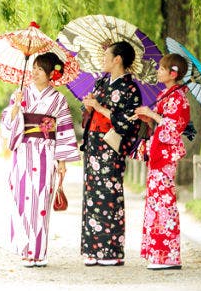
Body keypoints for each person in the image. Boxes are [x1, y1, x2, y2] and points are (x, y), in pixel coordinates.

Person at [0, 52, 80, 268]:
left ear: (50, 74)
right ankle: (25, 250)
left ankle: (39, 252)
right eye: (33, 68)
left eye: (39, 69)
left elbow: (63, 129)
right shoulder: (21, 94)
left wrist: (62, 161)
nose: (34, 72)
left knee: (41, 200)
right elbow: (8, 128)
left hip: (46, 152)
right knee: (22, 199)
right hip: (24, 151)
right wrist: (16, 107)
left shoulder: (59, 99)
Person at [80, 41, 142, 266]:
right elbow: (89, 113)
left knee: (110, 194)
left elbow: (128, 121)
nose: (103, 58)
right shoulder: (101, 82)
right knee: (92, 196)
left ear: (118, 59)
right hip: (94, 144)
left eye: (106, 55)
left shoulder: (130, 89)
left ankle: (111, 251)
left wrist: (99, 108)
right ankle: (93, 250)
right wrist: (88, 107)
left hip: (111, 145)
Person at [132, 53, 190, 270]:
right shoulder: (167, 94)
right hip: (158, 151)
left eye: (162, 68)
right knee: (155, 200)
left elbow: (175, 128)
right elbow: (161, 123)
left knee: (164, 201)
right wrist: (147, 116)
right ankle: (157, 252)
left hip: (166, 155)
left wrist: (154, 116)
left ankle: (167, 255)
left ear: (172, 73)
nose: (158, 71)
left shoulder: (179, 98)